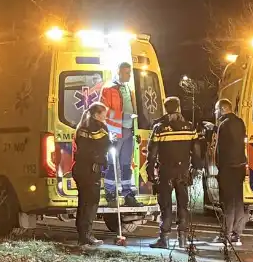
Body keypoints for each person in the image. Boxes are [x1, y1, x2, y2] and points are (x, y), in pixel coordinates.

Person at [146, 96, 201, 249]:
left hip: (166, 171)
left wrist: (150, 170)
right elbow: (196, 150)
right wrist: (196, 167)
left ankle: (164, 239)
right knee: (183, 204)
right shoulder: (190, 127)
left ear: (165, 109)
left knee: (166, 204)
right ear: (179, 107)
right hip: (183, 170)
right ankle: (183, 239)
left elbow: (152, 152)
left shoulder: (160, 128)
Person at [100, 62, 139, 206]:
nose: (129, 75)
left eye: (130, 72)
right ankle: (110, 192)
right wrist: (123, 117)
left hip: (129, 131)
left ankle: (127, 193)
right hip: (115, 131)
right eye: (126, 72)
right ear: (119, 72)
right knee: (112, 164)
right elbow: (103, 111)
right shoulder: (109, 89)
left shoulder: (129, 88)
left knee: (126, 164)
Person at [72, 102, 110, 246]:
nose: (105, 118)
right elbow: (106, 143)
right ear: (96, 114)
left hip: (80, 169)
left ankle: (82, 234)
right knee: (91, 203)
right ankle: (87, 235)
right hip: (90, 170)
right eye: (104, 115)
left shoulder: (82, 126)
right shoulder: (98, 127)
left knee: (83, 202)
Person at [214, 98, 247, 247]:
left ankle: (225, 234)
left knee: (227, 202)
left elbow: (219, 149)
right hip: (240, 166)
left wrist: (219, 167)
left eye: (216, 110)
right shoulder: (240, 122)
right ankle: (236, 234)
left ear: (222, 109)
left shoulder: (223, 124)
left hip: (227, 167)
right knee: (238, 201)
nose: (215, 113)